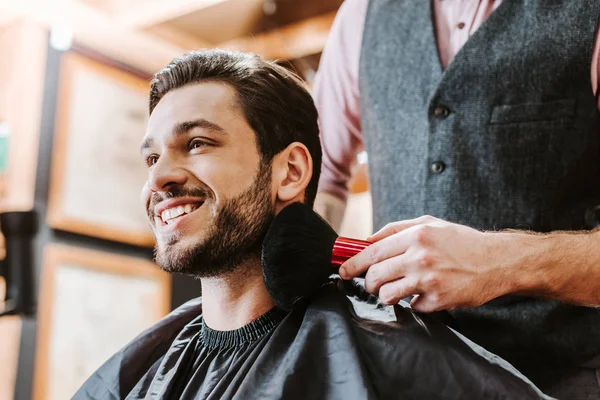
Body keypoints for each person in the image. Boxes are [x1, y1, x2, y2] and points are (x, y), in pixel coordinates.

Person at [73, 50, 552, 400]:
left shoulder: (381, 346)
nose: (158, 177)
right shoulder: (146, 367)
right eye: (151, 156)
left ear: (291, 172)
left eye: (197, 143)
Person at [312, 0, 600, 397]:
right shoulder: (362, 14)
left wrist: (498, 260)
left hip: (561, 375)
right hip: (402, 372)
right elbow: (318, 176)